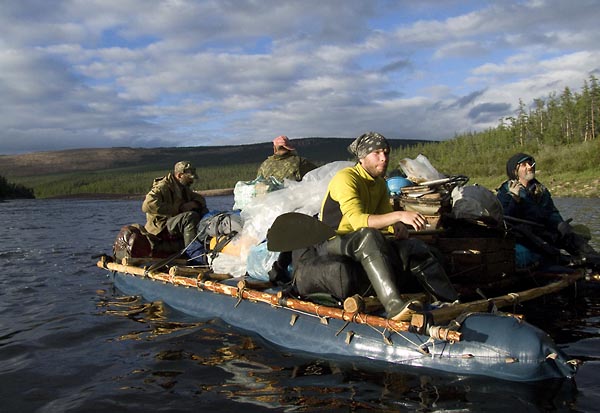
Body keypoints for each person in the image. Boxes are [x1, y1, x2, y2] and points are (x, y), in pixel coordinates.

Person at [316, 132, 459, 320]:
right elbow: (358, 221)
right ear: (362, 157)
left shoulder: (380, 184)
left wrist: (397, 226)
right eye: (376, 153)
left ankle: (449, 301)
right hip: (332, 242)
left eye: (386, 153)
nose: (384, 158)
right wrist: (399, 215)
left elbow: (385, 217)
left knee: (413, 247)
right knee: (369, 236)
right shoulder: (346, 178)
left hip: (358, 240)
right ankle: (394, 307)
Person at [497, 152, 599, 267]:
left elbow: (551, 213)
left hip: (545, 231)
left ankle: (594, 261)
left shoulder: (541, 190)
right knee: (538, 253)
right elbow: (505, 219)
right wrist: (515, 200)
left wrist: (560, 224)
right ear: (514, 170)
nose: (530, 166)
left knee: (573, 237)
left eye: (530, 163)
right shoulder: (505, 192)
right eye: (524, 165)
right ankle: (567, 262)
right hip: (524, 236)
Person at [142, 161, 209, 255]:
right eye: (189, 178)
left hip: (173, 223)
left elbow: (200, 198)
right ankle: (193, 254)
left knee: (203, 212)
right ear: (180, 175)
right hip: (161, 226)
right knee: (189, 217)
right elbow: (147, 205)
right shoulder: (163, 186)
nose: (192, 181)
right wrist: (178, 209)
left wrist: (195, 203)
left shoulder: (183, 188)